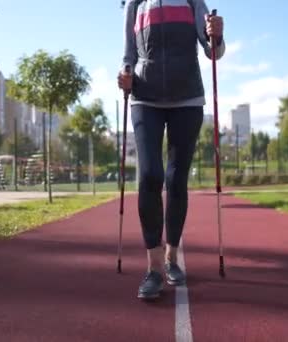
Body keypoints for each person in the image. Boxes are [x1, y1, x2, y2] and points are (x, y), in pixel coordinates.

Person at [118, 0, 225, 299]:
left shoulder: (192, 1)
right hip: (144, 98)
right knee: (150, 175)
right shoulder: (136, 4)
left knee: (176, 179)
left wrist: (217, 35)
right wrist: (125, 74)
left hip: (187, 98)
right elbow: (129, 52)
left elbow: (212, 50)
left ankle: (171, 257)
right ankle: (153, 269)